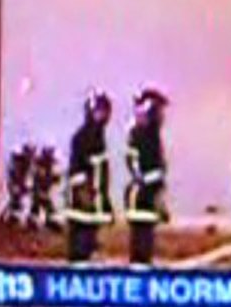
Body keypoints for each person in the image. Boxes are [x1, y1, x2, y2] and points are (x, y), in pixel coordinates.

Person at [64, 90, 114, 263]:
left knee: (88, 240)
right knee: (80, 244)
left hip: (92, 201)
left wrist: (104, 202)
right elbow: (79, 170)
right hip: (83, 203)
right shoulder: (84, 137)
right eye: (100, 111)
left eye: (106, 112)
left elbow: (100, 171)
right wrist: (86, 195)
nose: (104, 116)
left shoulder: (98, 136)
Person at [125, 88, 170, 266]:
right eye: (158, 111)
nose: (162, 117)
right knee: (141, 241)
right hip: (142, 196)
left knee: (146, 241)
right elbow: (137, 167)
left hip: (148, 194)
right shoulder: (141, 135)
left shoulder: (151, 135)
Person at [28, 145, 62, 232]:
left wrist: (49, 193)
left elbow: (56, 184)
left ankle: (50, 221)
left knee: (51, 205)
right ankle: (34, 220)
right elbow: (32, 183)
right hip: (37, 193)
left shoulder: (55, 168)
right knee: (37, 204)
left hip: (48, 194)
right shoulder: (38, 167)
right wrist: (38, 192)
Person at [1, 143, 35, 226]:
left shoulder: (31, 166)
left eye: (31, 153)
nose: (29, 156)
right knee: (13, 199)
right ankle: (11, 214)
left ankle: (18, 216)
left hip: (22, 191)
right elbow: (11, 176)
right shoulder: (16, 162)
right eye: (27, 152)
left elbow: (29, 185)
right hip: (12, 188)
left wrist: (25, 188)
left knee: (24, 201)